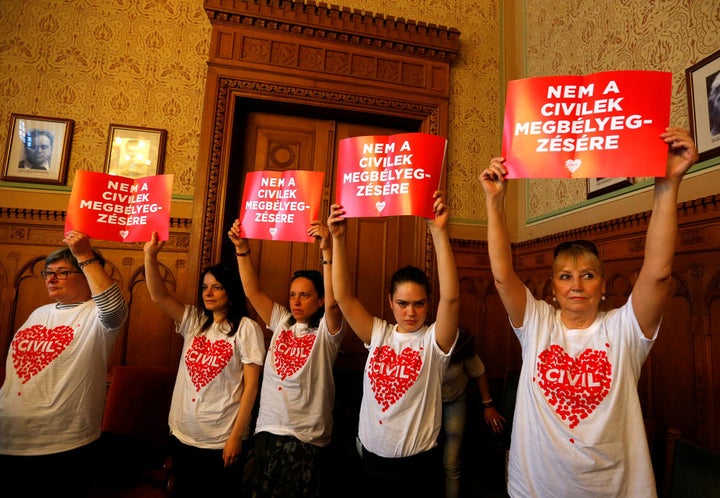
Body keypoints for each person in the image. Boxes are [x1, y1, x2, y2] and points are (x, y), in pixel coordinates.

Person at [478, 127, 699, 497]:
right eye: (565, 276)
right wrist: (494, 203)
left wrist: (667, 185)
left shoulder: (624, 329)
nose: (577, 284)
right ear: (552, 288)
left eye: (588, 275)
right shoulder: (537, 323)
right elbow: (502, 279)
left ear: (603, 285)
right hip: (536, 487)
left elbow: (658, 274)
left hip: (613, 488)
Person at [327, 190, 460, 498]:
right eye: (402, 303)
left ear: (429, 304)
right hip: (369, 462)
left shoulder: (433, 341)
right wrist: (338, 240)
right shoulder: (379, 334)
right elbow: (344, 298)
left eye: (419, 304)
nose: (410, 312)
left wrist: (439, 233)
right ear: (390, 302)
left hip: (417, 467)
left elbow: (452, 297)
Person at [0, 230, 128, 497]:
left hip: (61, 440)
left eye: (62, 272)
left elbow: (115, 306)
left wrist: (84, 254)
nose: (51, 278)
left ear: (86, 275)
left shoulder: (96, 314)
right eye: (48, 272)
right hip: (8, 434)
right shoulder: (39, 313)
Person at [228, 219, 346, 498]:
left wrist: (327, 251)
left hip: (306, 438)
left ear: (318, 300)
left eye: (305, 295)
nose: (296, 301)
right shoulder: (282, 321)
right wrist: (242, 249)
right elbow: (252, 292)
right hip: (268, 430)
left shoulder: (328, 333)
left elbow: (333, 302)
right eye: (293, 294)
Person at [144, 232, 265, 498]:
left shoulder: (247, 329)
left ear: (231, 292)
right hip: (183, 434)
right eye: (205, 287)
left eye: (217, 287)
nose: (208, 293)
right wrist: (150, 256)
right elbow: (158, 296)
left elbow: (251, 387)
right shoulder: (195, 320)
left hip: (221, 439)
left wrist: (235, 437)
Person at [441, 329, 505, 498]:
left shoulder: (462, 347)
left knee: (451, 461)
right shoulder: (423, 347)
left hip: (455, 401)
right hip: (426, 405)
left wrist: (488, 405)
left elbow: (479, 372)